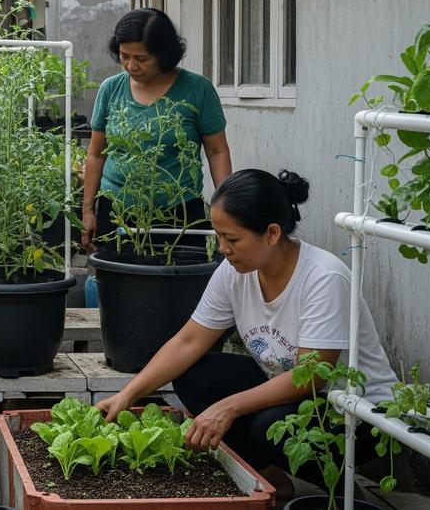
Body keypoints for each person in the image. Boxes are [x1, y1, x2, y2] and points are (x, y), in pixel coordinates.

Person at [95, 169, 397, 498]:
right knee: (195, 375)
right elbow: (188, 342)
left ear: (271, 233)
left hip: (359, 413)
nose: (223, 248)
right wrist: (128, 395)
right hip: (292, 395)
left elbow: (311, 378)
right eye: (219, 236)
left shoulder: (323, 278)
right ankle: (271, 481)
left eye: (233, 239)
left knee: (268, 426)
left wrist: (230, 406)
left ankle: (345, 493)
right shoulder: (235, 271)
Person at [81, 8, 232, 250]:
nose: (131, 65)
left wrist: (227, 208)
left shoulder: (197, 90)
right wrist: (88, 209)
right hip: (117, 214)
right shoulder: (111, 90)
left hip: (179, 215)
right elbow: (96, 154)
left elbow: (217, 152)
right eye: (124, 56)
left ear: (164, 55)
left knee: (178, 284)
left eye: (141, 59)